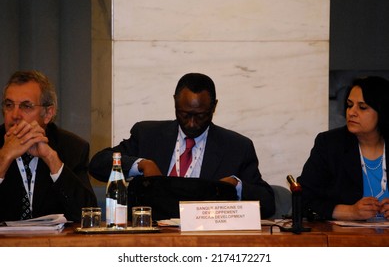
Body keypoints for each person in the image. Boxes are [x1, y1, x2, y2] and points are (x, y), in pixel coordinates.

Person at [89, 72, 275, 218]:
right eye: (185, 114)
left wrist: (236, 186)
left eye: (200, 116)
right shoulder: (148, 135)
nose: (192, 123)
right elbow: (98, 164)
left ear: (214, 107)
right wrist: (140, 164)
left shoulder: (236, 147)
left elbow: (268, 203)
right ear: (175, 102)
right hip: (151, 235)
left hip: (207, 238)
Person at [0, 70, 97, 222]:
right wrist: (3, 158)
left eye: (26, 106)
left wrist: (51, 159)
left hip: (52, 245)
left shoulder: (72, 148)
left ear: (48, 114)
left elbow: (88, 216)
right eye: (9, 105)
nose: (15, 115)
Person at [297, 76, 389, 221]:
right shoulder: (330, 145)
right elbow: (302, 199)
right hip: (346, 239)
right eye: (349, 105)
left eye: (362, 107)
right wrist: (350, 212)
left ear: (383, 111)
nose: (352, 112)